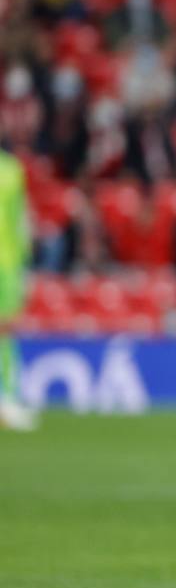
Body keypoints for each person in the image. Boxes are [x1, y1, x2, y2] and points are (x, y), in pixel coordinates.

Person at [0, 143, 36, 431]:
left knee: (5, 331)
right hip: (7, 262)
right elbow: (21, 221)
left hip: (6, 261)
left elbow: (18, 220)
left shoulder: (11, 169)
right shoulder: (11, 170)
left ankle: (7, 399)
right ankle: (8, 400)